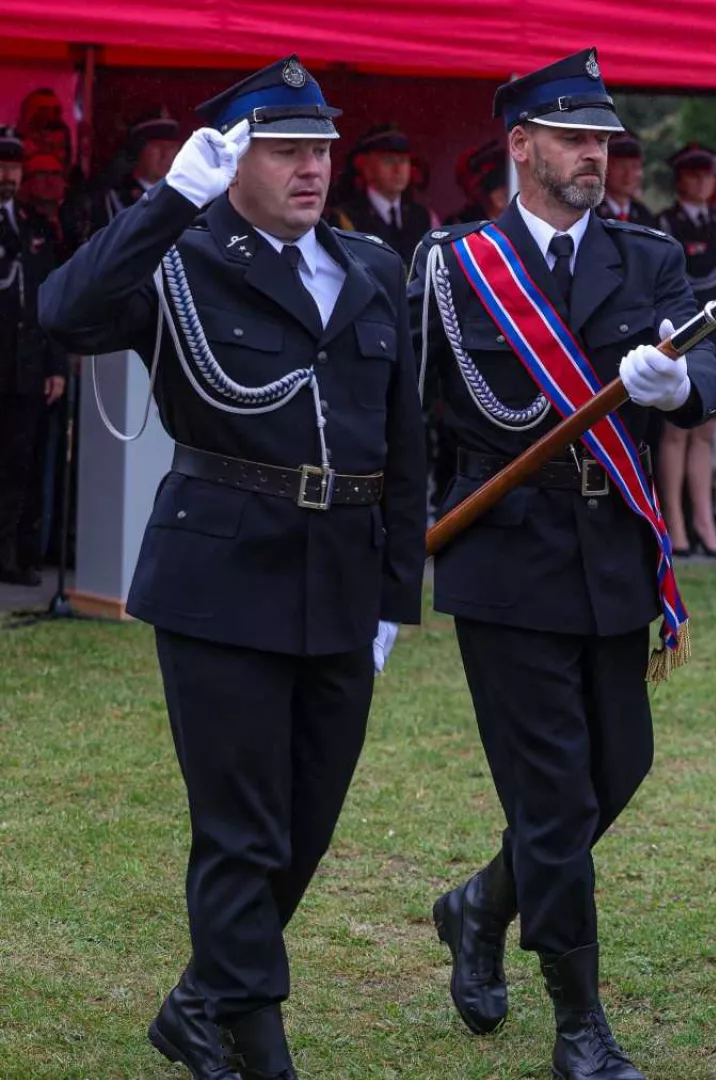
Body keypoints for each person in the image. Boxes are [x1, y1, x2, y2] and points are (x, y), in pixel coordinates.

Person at [38, 57, 426, 1079]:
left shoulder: (370, 267)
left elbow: (404, 441)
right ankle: (256, 1040)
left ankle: (199, 1002)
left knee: (306, 823)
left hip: (341, 577)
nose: (312, 168)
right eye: (286, 150)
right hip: (221, 575)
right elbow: (63, 311)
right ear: (233, 163)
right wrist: (170, 202)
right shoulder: (182, 259)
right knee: (241, 828)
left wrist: (395, 598)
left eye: (321, 148)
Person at [411, 48, 716, 1080]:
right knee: (552, 799)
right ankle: (579, 1021)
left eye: (602, 138)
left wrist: (682, 388)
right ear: (522, 146)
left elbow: (715, 356)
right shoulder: (455, 264)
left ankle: (480, 903)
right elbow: (408, 410)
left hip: (610, 550)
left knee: (617, 767)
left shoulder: (646, 259)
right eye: (573, 137)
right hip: (505, 557)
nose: (595, 153)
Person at [657, 142, 716, 557]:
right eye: (694, 175)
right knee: (676, 434)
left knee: (705, 434)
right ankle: (676, 524)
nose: (703, 183)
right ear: (679, 180)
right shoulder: (666, 222)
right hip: (680, 333)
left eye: (708, 175)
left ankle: (705, 525)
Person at [0, 126, 61, 587]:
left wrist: (55, 365)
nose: (9, 175)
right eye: (2, 166)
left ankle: (11, 555)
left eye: (14, 167)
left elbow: (51, 300)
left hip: (24, 369)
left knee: (18, 465)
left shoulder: (33, 226)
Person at [61, 107, 182, 247]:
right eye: (157, 146)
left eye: (172, 147)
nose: (166, 155)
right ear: (137, 150)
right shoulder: (108, 200)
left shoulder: (184, 196)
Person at [328, 124, 431, 259]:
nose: (398, 169)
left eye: (403, 161)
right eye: (388, 161)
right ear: (365, 166)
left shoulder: (420, 215)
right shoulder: (347, 218)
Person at [597, 131, 656, 228]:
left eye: (635, 167)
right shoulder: (591, 213)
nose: (628, 175)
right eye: (620, 166)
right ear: (605, 168)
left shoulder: (645, 216)